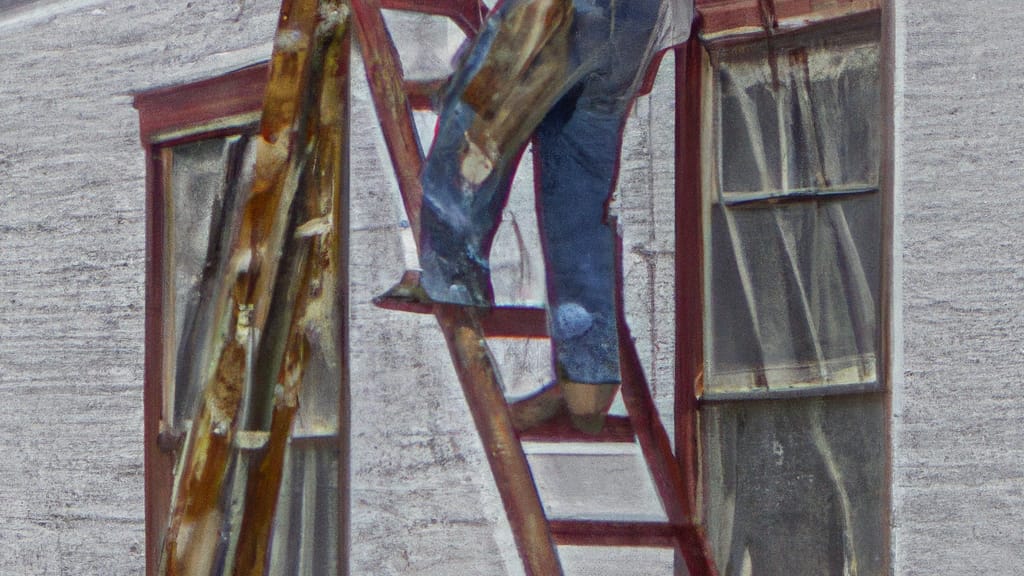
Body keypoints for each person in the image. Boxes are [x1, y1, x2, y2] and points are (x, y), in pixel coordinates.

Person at [376, 0, 694, 433]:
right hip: (639, 20)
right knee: (577, 202)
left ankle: (450, 273)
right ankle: (587, 390)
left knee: (474, 124)